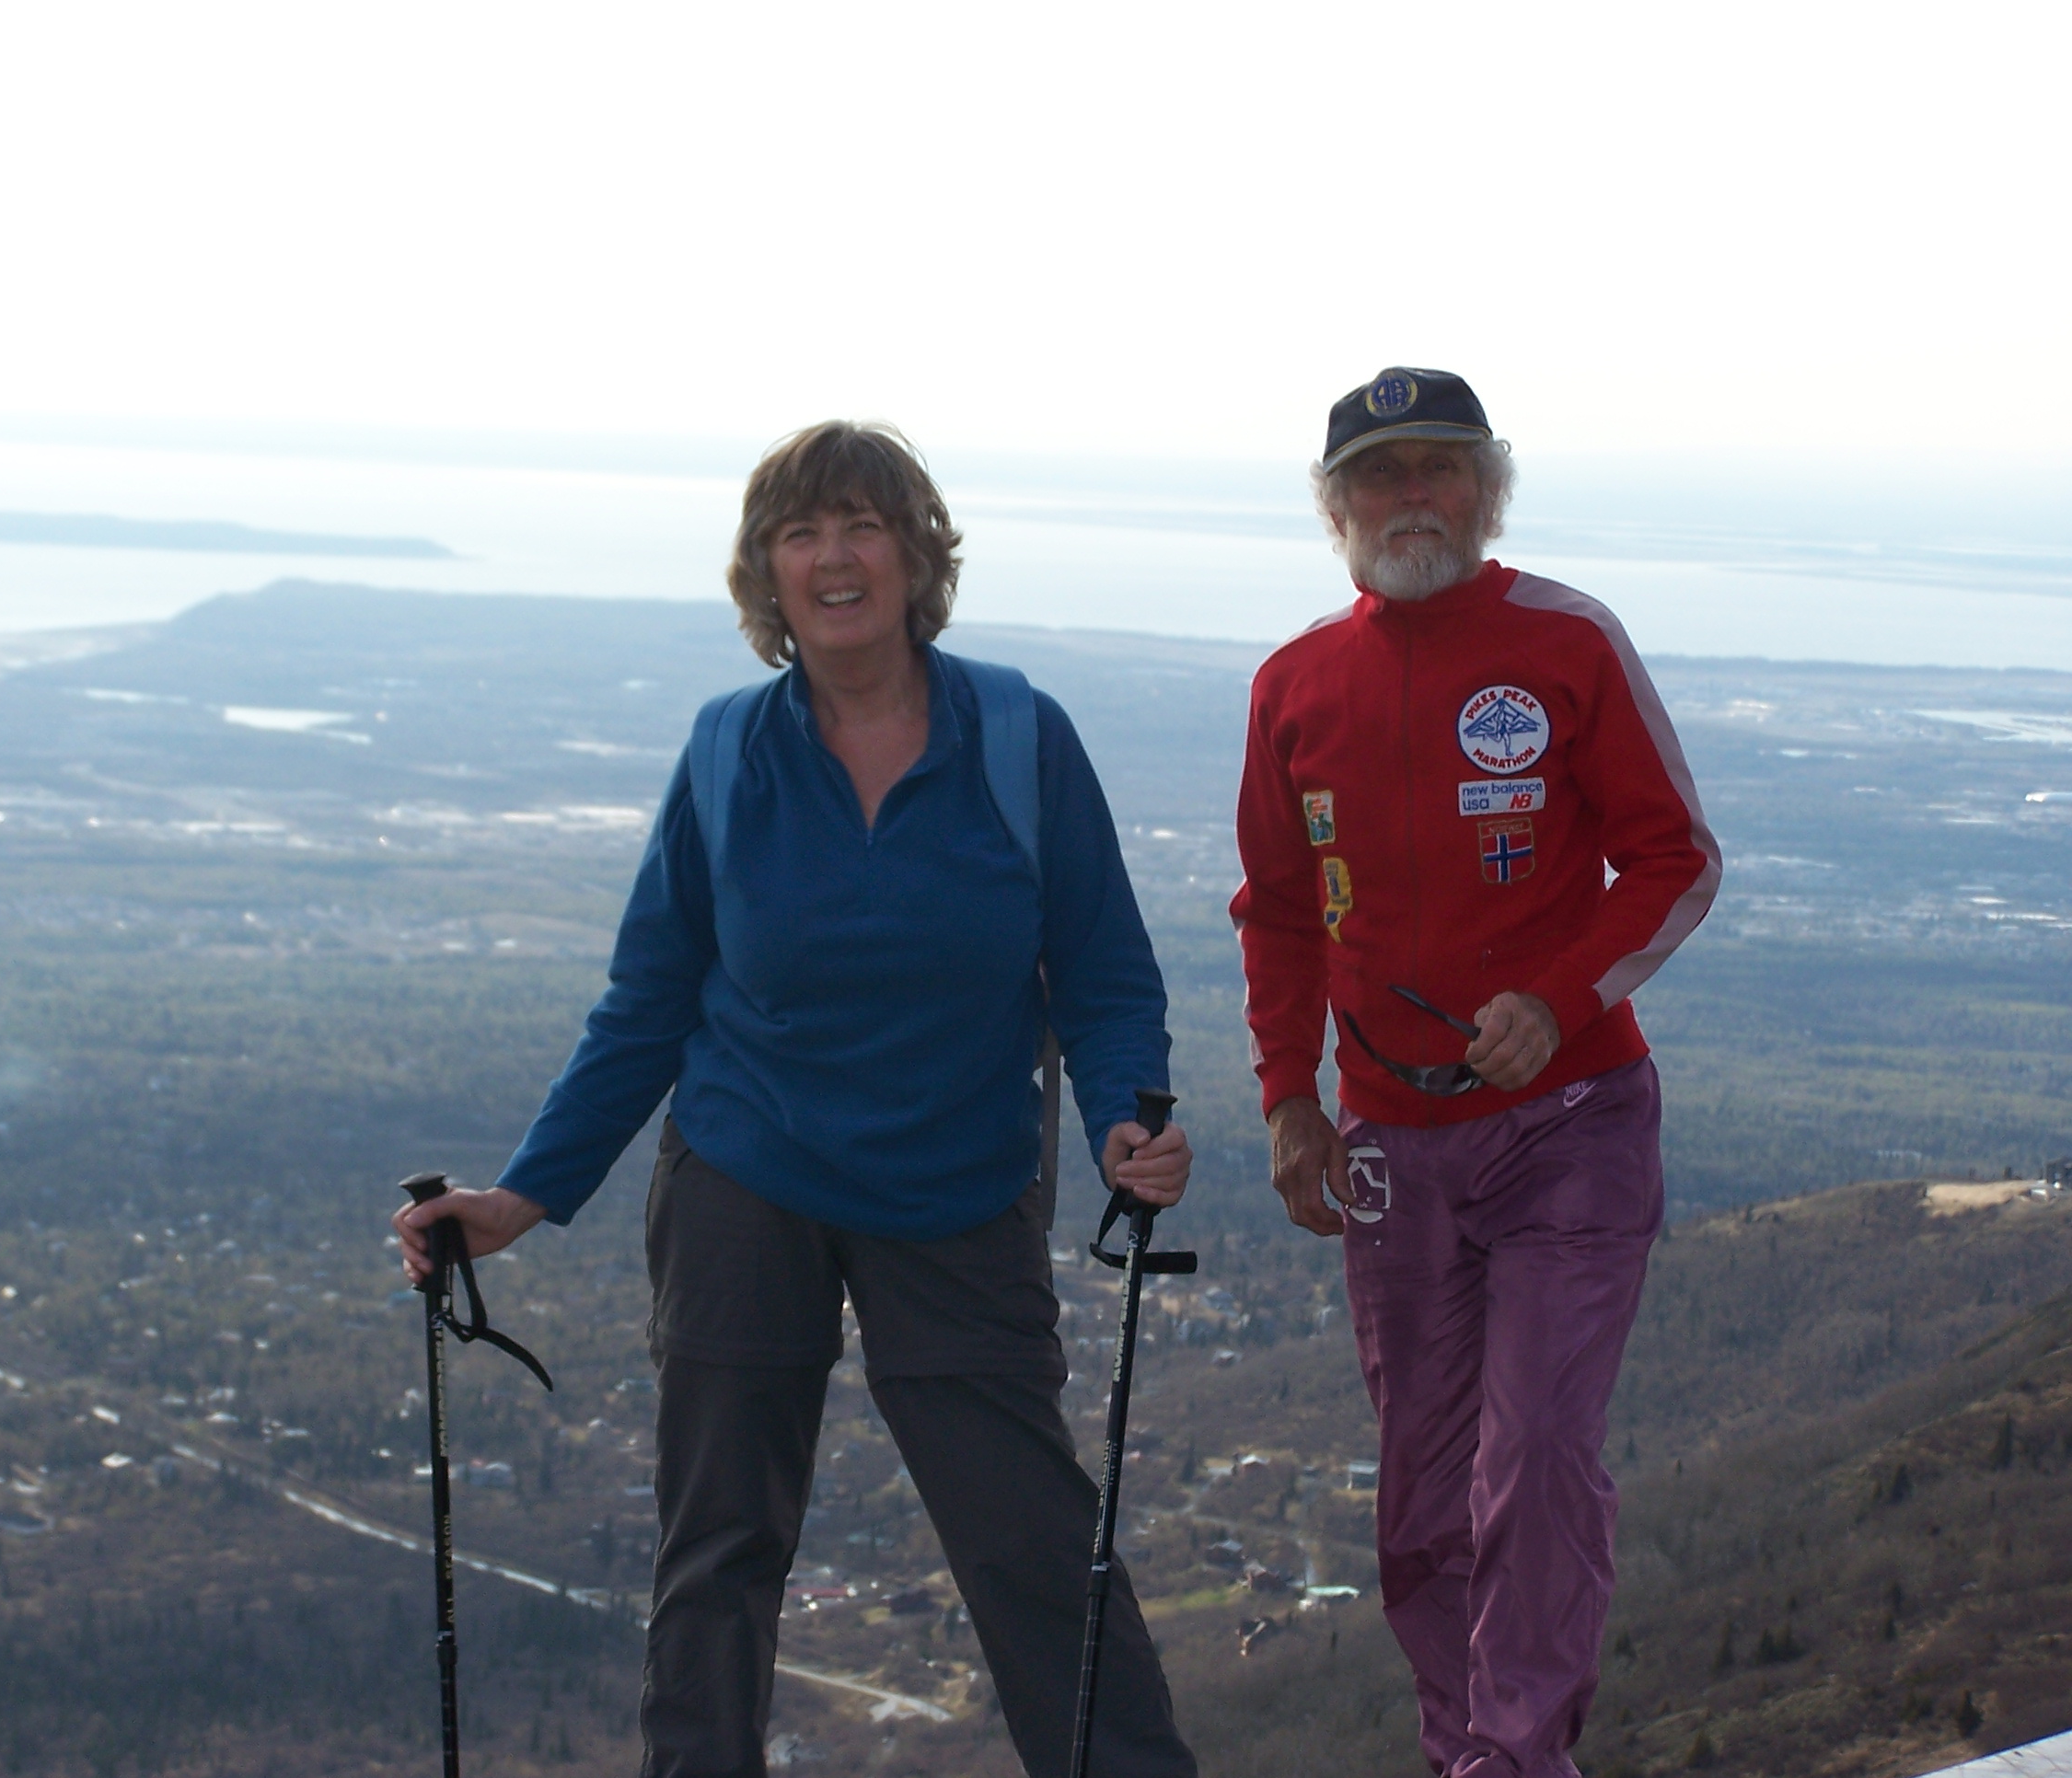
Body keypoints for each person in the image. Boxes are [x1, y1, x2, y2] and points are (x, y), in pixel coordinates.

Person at [396, 421, 1199, 1778]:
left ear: (917, 555)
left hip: (957, 1183)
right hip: (745, 1174)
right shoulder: (729, 751)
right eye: (801, 531)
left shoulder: (1018, 737)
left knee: (1031, 1537)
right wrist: (524, 1197)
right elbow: (647, 1003)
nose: (835, 557)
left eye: (864, 525)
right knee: (719, 1549)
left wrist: (1130, 1117)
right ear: (765, 570)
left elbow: (1104, 971)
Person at [1231, 369, 1720, 1778]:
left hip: (1572, 1125)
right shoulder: (1294, 684)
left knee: (1541, 1456)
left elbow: (1678, 860)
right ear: (1335, 509)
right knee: (1421, 1498)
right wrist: (1289, 1099)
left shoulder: (1566, 641)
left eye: (1441, 468)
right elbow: (1277, 911)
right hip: (1390, 1145)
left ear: (1489, 490)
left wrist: (1558, 1004)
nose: (1413, 499)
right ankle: (1466, 1752)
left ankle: (1517, 1759)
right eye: (1380, 476)